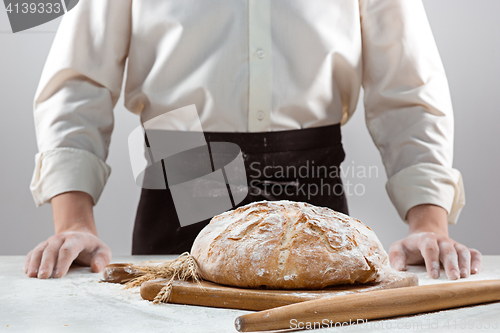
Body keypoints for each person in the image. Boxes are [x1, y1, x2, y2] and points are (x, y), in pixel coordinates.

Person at [24, 0, 481, 281]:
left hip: (312, 191)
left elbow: (407, 88)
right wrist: (73, 223)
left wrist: (428, 224)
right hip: (183, 165)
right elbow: (78, 83)